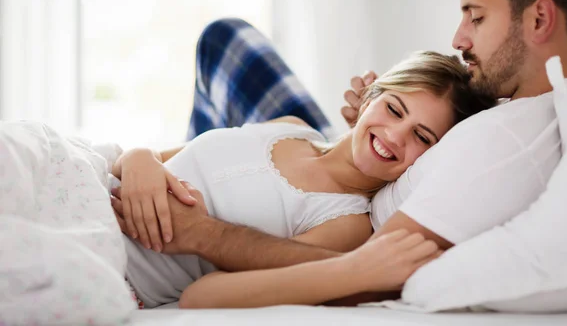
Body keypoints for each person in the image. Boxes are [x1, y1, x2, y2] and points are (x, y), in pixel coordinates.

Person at [111, 0, 567, 309]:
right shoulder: (531, 104)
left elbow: (353, 273)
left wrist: (201, 233)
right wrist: (375, 113)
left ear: (538, 20)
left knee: (225, 47)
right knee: (226, 41)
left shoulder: (507, 144)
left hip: (336, 202)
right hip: (329, 149)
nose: (459, 37)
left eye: (476, 16)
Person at [110, 48, 493, 308]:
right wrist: (139, 158)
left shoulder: (347, 223)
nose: (395, 135)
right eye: (393, 109)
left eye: (422, 137)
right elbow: (149, 158)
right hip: (95, 181)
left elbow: (203, 295)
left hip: (114, 261)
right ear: (369, 97)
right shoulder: (293, 127)